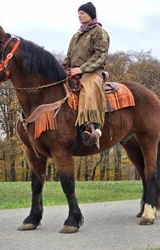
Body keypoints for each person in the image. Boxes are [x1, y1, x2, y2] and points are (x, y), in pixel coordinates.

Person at [62, 2, 110, 150]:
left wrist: (81, 69)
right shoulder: (76, 35)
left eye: (82, 13)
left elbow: (100, 56)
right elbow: (69, 55)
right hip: (73, 71)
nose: (79, 15)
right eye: (79, 13)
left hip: (91, 72)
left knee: (89, 89)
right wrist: (63, 68)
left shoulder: (99, 32)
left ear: (90, 15)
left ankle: (92, 129)